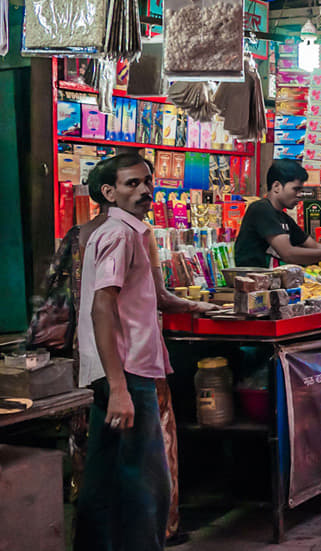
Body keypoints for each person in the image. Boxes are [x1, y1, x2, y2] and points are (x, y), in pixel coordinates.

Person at [75, 153, 212, 551]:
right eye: (131, 183)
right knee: (146, 482)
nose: (144, 190)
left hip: (113, 369)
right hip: (127, 371)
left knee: (103, 479)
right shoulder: (119, 235)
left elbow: (149, 296)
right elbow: (104, 306)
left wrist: (191, 305)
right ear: (108, 192)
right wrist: (119, 388)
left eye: (147, 182)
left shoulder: (130, 232)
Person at [234, 159, 321, 268]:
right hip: (252, 285)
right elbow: (288, 254)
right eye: (296, 189)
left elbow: (314, 247)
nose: (300, 195)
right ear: (277, 186)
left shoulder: (283, 218)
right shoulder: (261, 209)